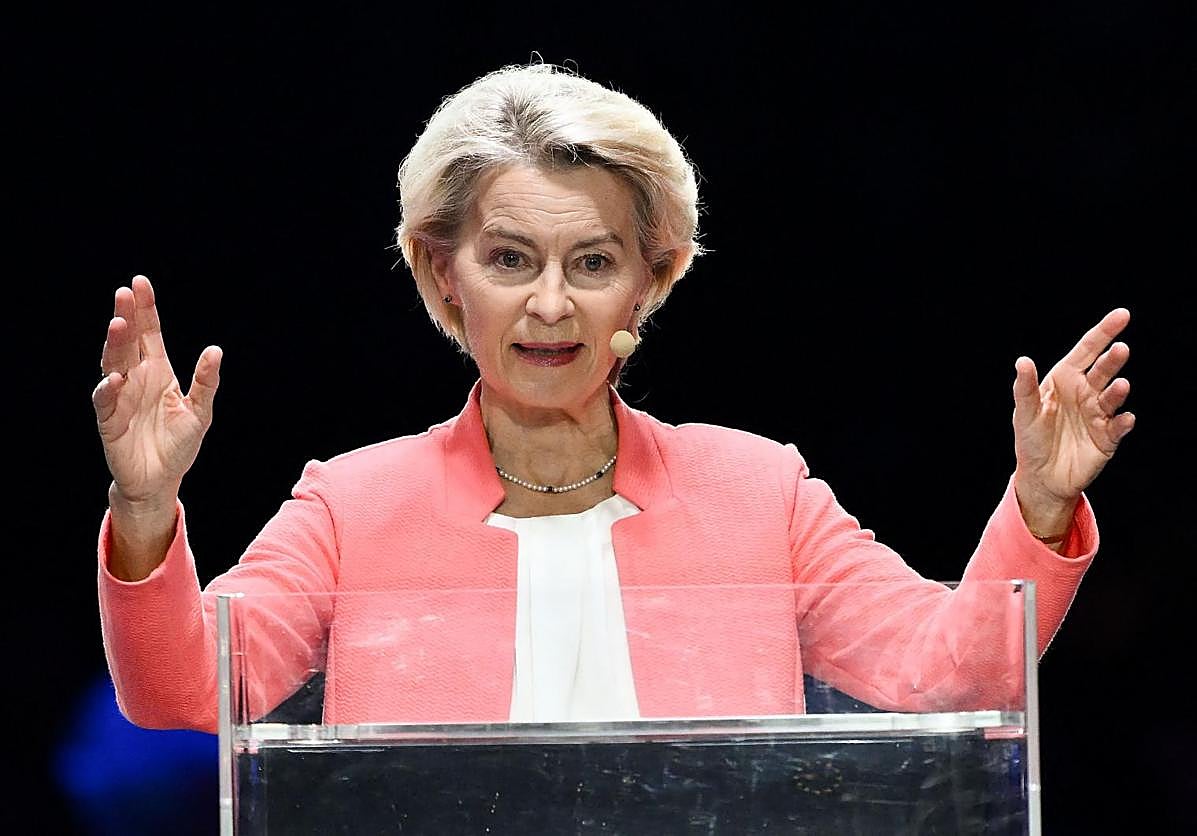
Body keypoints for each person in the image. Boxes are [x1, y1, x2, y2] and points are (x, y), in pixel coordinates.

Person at [94, 63, 1135, 733]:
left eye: (592, 263)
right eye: (510, 257)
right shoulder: (350, 507)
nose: (551, 304)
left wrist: (1039, 502)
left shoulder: (760, 493)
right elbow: (183, 690)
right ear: (441, 271)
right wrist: (144, 512)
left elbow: (950, 672)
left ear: (654, 278)